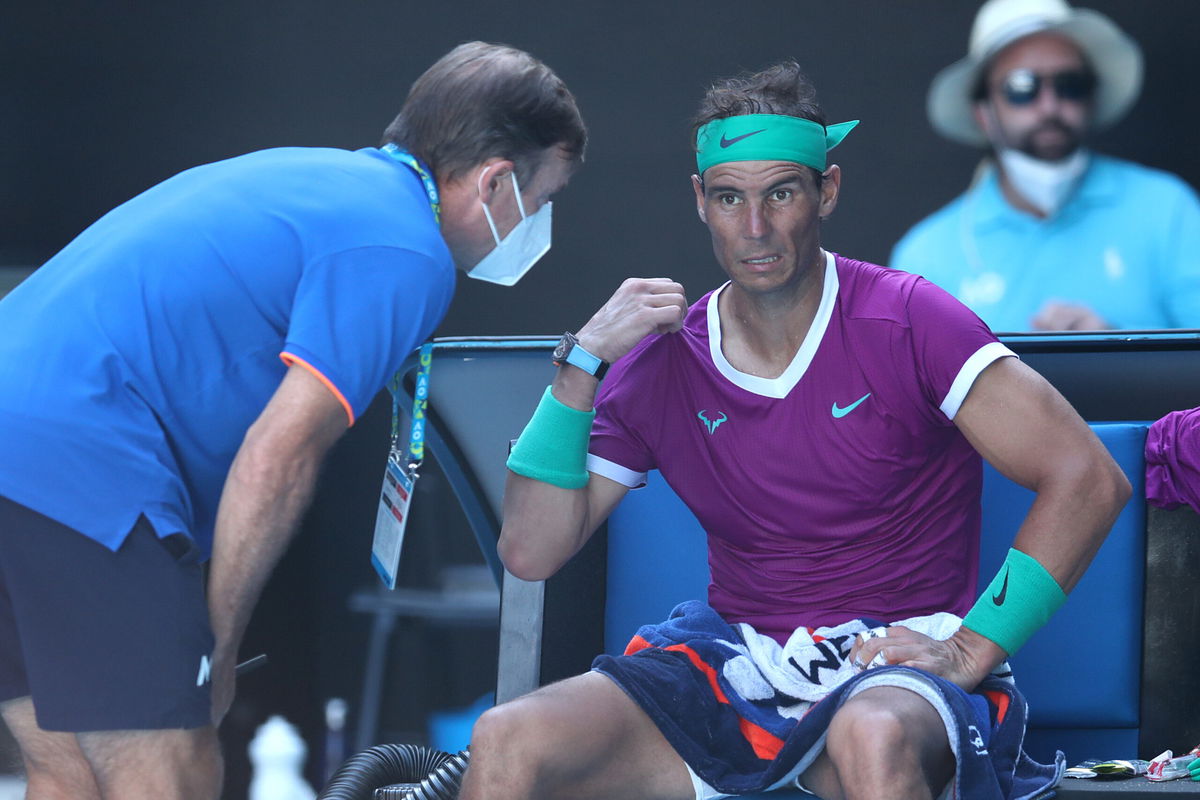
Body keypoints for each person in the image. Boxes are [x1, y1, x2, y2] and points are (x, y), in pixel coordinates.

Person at [460, 61, 1130, 800]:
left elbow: (1089, 478)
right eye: (729, 197)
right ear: (700, 202)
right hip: (736, 665)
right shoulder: (660, 362)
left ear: (826, 191)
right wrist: (577, 369)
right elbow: (529, 550)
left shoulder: (909, 318)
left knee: (869, 733)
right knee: (504, 738)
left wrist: (972, 647)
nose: (755, 227)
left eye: (780, 192)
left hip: (897, 660)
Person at [0, 41, 585, 799]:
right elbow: (277, 457)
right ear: (496, 181)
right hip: (80, 459)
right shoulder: (403, 248)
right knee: (173, 765)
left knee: (67, 769)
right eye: (543, 199)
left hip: (23, 447)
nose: (539, 221)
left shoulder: (318, 180)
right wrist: (217, 645)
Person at [890, 0, 1200, 332]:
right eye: (1021, 87)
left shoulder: (1168, 209)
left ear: (1091, 97)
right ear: (984, 114)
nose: (1049, 105)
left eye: (1069, 84)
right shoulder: (925, 256)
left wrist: (1117, 347)